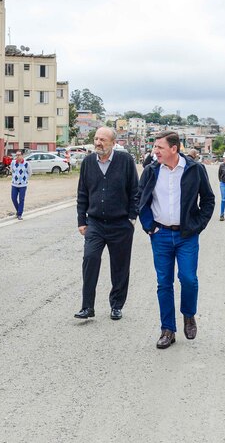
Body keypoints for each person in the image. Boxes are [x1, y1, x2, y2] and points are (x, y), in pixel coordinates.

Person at [138, 130, 215, 349]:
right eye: (155, 147)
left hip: (186, 236)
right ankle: (167, 329)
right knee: (164, 283)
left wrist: (197, 225)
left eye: (159, 147)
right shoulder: (151, 171)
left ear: (174, 149)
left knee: (189, 278)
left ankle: (189, 315)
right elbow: (139, 198)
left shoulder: (195, 169)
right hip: (160, 235)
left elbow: (208, 200)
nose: (155, 151)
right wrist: (148, 226)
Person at [74, 127, 140, 321]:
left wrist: (131, 217)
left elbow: (135, 191)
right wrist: (81, 220)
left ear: (113, 142)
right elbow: (82, 193)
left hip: (120, 224)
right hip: (95, 223)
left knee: (120, 266)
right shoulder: (88, 163)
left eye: (102, 139)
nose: (98, 143)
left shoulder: (125, 161)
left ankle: (117, 305)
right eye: (96, 139)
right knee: (90, 259)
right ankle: (87, 307)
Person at [10, 151, 31, 220]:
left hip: (23, 185)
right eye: (16, 155)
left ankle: (19, 214)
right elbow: (12, 171)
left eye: (19, 155)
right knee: (13, 198)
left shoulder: (26, 164)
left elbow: (30, 173)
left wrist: (25, 180)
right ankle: (18, 210)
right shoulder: (13, 163)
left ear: (22, 156)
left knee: (21, 199)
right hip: (14, 184)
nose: (17, 156)